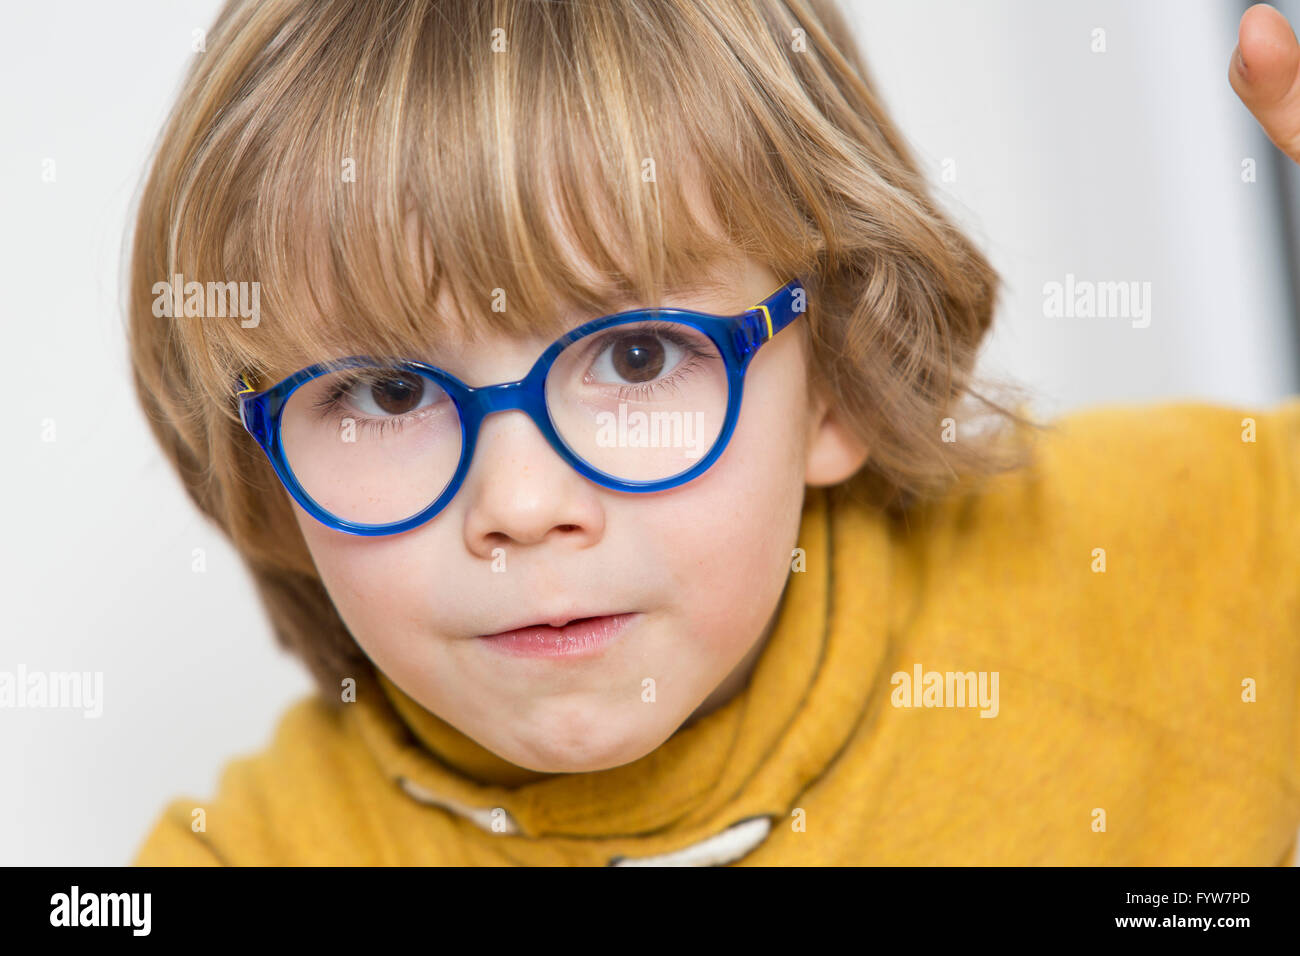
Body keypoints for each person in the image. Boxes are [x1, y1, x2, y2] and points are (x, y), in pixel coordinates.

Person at [128, 0, 1300, 865]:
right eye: (385, 393)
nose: (523, 503)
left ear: (837, 376)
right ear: (264, 465)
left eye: (636, 355)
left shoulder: (1184, 553)